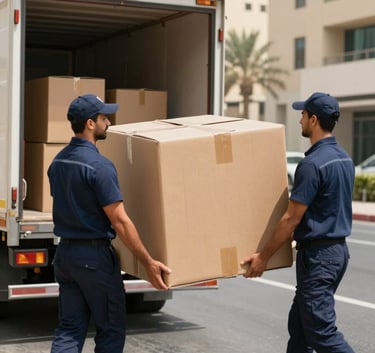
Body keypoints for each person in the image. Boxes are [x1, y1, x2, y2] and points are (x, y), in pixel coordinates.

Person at [48, 94, 171, 353]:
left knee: (70, 329)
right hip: (93, 259)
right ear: (90, 124)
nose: (108, 121)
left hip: (66, 256)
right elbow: (121, 222)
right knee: (111, 329)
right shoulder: (99, 166)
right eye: (104, 117)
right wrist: (148, 261)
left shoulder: (57, 162)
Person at [241, 92, 355, 353]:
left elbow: (291, 218)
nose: (299, 120)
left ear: (313, 120)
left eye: (302, 115)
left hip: (319, 258)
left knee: (321, 334)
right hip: (337, 253)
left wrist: (263, 257)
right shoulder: (344, 158)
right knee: (301, 329)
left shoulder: (312, 164)